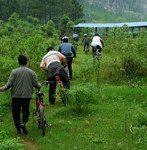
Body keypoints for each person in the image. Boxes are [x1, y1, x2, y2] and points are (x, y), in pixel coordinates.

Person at [0, 55, 40, 135]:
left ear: (19, 62)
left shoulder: (14, 72)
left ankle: (18, 129)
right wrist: (39, 85)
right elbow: (36, 84)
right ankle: (23, 123)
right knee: (25, 111)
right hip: (27, 96)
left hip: (16, 96)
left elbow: (9, 84)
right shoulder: (31, 72)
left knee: (16, 113)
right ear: (26, 62)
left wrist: (3, 88)